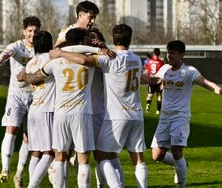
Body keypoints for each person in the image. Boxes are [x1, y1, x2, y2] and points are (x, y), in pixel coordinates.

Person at [49, 24, 148, 188]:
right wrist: (101, 48)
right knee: (135, 157)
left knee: (100, 155)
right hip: (135, 114)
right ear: (130, 39)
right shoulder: (136, 59)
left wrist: (60, 52)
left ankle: (114, 186)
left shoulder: (106, 60)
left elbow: (83, 59)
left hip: (107, 114)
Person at [18, 28, 100, 188]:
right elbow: (106, 55)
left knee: (59, 156)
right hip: (82, 113)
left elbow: (34, 77)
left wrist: (24, 76)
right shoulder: (91, 60)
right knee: (83, 158)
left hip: (60, 114)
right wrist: (99, 47)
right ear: (82, 42)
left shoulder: (54, 61)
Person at [142, 40, 222, 187]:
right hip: (164, 118)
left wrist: (217, 89)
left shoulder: (189, 71)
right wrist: (137, 73)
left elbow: (205, 82)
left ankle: (182, 185)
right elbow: (153, 80)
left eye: (172, 53)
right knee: (156, 155)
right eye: (168, 52)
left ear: (181, 55)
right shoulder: (164, 68)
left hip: (180, 117)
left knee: (177, 151)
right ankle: (182, 165)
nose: (169, 56)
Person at [0, 16, 41, 188]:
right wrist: (4, 56)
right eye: (29, 31)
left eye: (35, 31)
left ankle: (19, 174)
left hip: (36, 96)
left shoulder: (42, 49)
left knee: (29, 138)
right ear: (24, 31)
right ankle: (5, 169)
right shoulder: (17, 46)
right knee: (11, 129)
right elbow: (7, 51)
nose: (32, 34)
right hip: (16, 95)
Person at [18, 31, 55, 188]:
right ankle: (32, 186)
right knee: (50, 153)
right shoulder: (51, 59)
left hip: (34, 110)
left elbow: (22, 82)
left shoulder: (30, 63)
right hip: (48, 109)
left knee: (36, 153)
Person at [144, 48, 164, 115]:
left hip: (151, 80)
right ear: (159, 54)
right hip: (158, 80)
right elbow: (163, 72)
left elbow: (146, 71)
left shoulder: (149, 61)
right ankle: (158, 110)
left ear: (153, 53)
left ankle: (147, 107)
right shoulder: (161, 62)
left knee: (150, 95)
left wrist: (148, 78)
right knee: (159, 95)